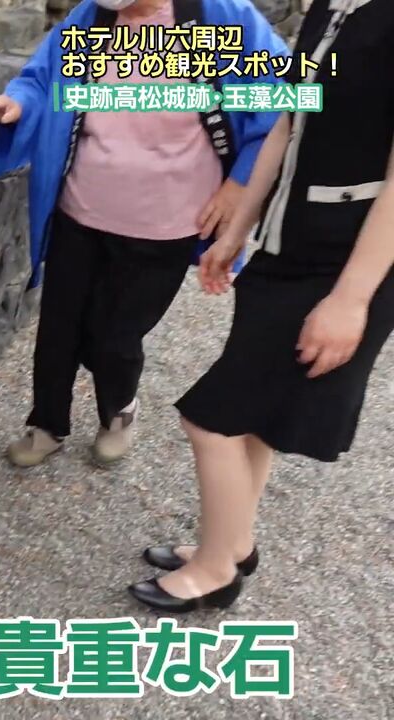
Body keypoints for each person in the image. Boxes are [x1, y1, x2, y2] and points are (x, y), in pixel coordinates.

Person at [129, 0, 394, 612]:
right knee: (250, 414)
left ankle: (215, 571)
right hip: (286, 244)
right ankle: (233, 542)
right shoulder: (333, 7)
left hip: (347, 263)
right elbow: (287, 122)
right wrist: (237, 231)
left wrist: (350, 301)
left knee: (211, 417)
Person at [0, 0, 288, 468]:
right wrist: (16, 104)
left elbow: (280, 100)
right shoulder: (92, 17)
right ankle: (47, 424)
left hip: (167, 222)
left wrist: (240, 184)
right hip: (78, 208)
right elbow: (42, 79)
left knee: (114, 336)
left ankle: (118, 412)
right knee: (58, 329)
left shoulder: (219, 16)